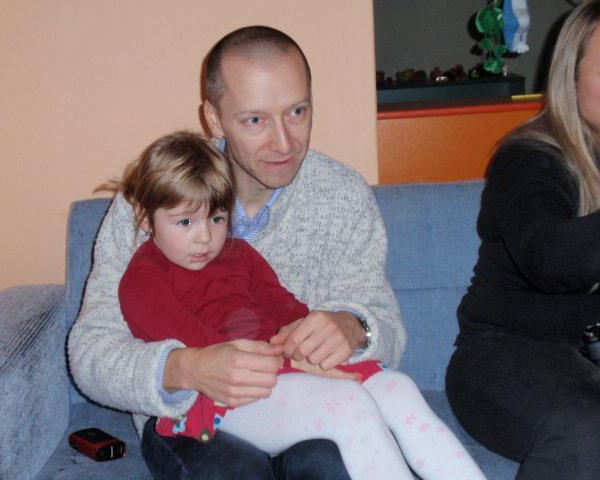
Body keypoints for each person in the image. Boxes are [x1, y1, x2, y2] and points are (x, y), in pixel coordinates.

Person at [68, 25, 407, 479]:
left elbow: (388, 329)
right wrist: (185, 368)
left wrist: (355, 327)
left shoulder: (343, 195)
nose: (284, 143)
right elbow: (89, 352)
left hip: (311, 401)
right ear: (213, 118)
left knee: (335, 464)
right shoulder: (150, 202)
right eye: (255, 120)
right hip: (195, 420)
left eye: (297, 112)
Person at [115, 131, 486, 480]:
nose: (204, 237)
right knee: (348, 405)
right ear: (146, 219)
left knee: (399, 389)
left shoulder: (239, 253)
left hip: (284, 373)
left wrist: (310, 343)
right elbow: (205, 349)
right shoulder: (142, 280)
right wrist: (290, 362)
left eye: (217, 218)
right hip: (222, 397)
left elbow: (283, 306)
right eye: (185, 222)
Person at [445, 3, 600, 479]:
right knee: (585, 431)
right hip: (499, 357)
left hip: (584, 358)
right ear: (570, 77)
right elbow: (549, 258)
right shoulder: (529, 159)